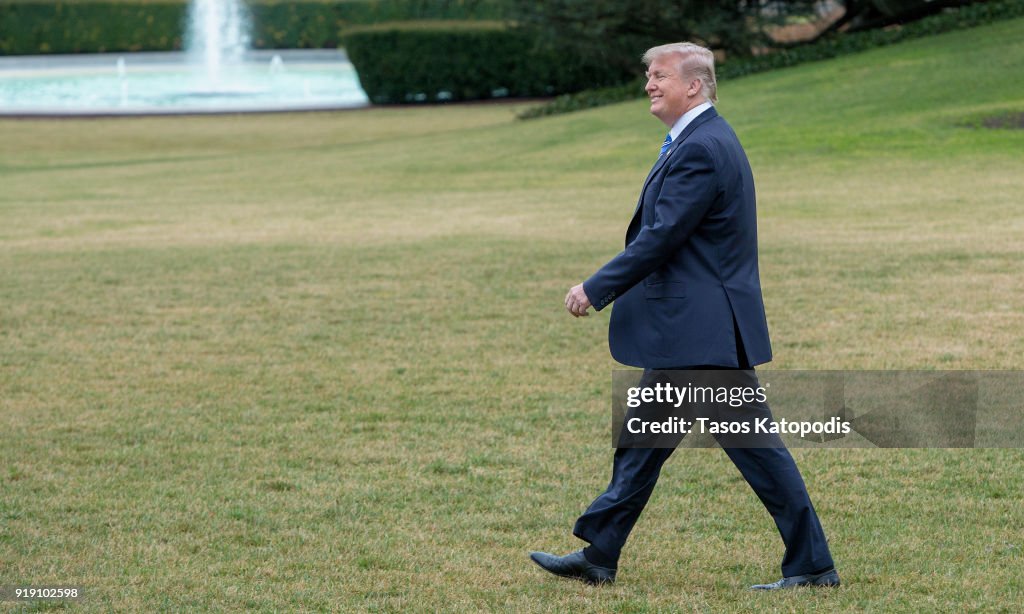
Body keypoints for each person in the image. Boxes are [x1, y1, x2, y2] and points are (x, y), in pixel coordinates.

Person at [529, 42, 840, 590]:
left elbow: (662, 236)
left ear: (693, 85)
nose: (649, 83)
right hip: (688, 336)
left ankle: (813, 567)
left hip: (702, 338)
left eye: (659, 76)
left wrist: (594, 287)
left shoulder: (701, 147)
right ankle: (599, 555)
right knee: (640, 444)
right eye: (648, 74)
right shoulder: (696, 139)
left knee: (758, 453)